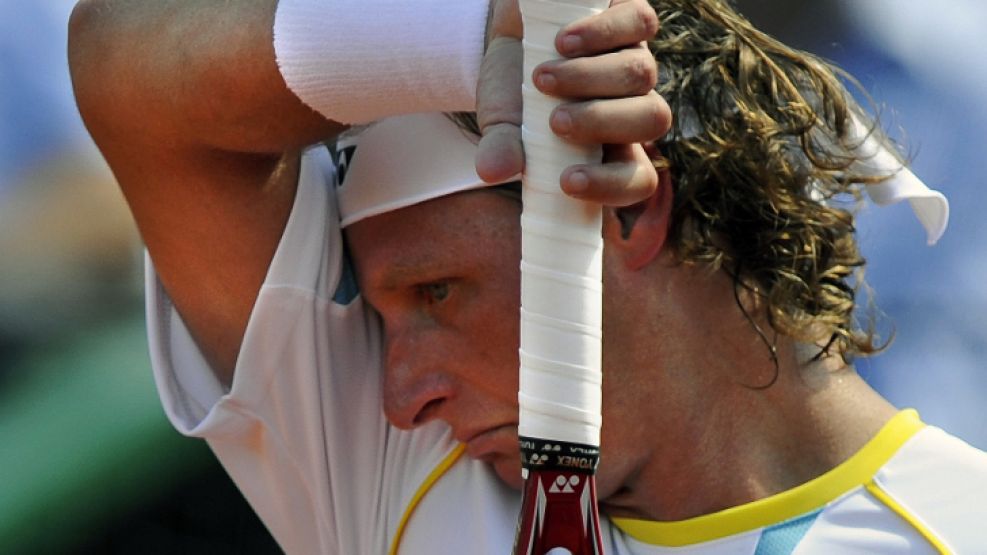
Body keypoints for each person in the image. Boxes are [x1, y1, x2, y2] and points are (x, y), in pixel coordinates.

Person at [68, 0, 986, 553]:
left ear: (628, 210)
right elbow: (122, 69)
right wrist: (469, 35)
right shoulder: (408, 478)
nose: (399, 395)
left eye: (436, 293)